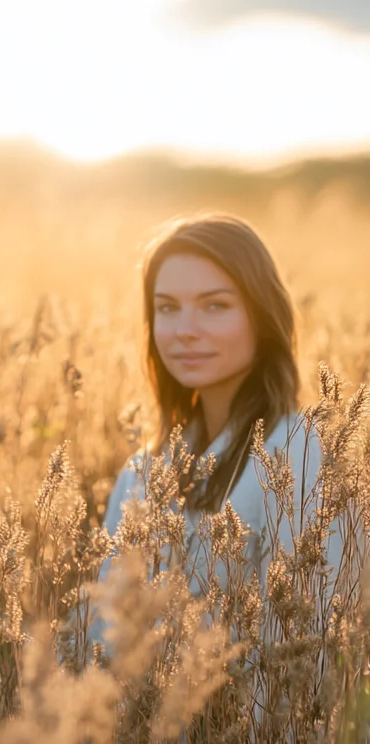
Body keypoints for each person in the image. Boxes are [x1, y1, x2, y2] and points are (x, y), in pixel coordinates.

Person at [95, 213, 344, 642]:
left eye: (215, 306)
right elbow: (98, 634)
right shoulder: (142, 471)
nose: (185, 331)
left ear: (262, 317)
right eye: (168, 308)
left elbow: (304, 654)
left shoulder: (300, 457)